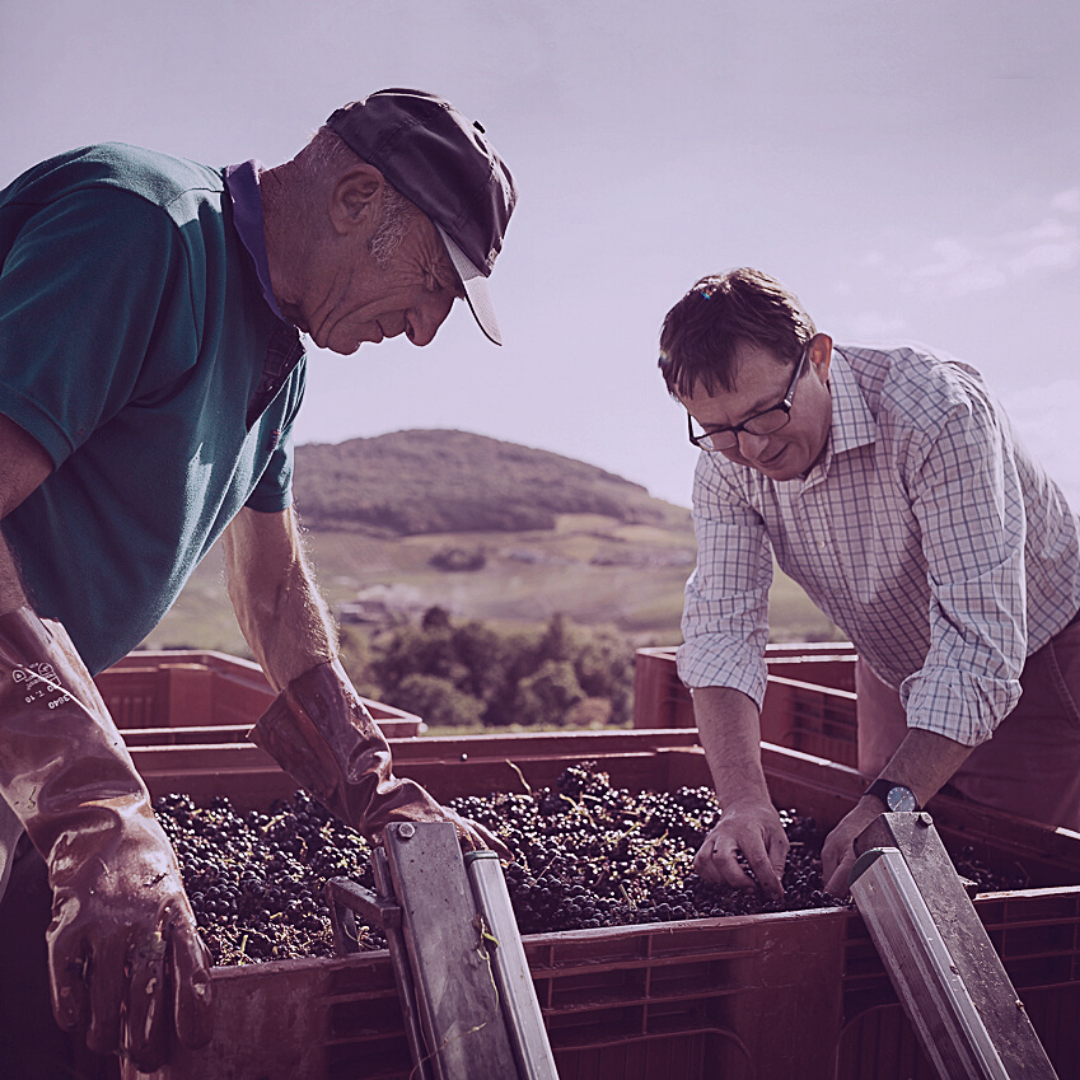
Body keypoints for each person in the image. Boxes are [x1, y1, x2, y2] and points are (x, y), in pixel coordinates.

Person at [0, 88, 516, 1078]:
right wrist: (91, 803)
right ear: (357, 197)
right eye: (433, 282)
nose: (424, 331)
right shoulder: (139, 229)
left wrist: (374, 789)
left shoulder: (281, 361)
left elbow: (272, 590)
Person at [658, 267, 1080, 903]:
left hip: (1037, 653)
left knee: (1005, 873)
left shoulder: (935, 412)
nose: (753, 448)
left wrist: (892, 799)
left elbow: (981, 646)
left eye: (766, 413)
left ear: (818, 358)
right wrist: (743, 799)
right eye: (719, 430)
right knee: (873, 862)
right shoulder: (726, 465)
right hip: (892, 656)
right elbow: (722, 633)